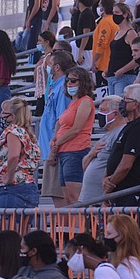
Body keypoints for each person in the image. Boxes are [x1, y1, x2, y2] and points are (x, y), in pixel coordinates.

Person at [103, 84, 140, 206]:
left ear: (136, 104)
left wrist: (110, 184)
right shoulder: (130, 125)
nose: (122, 103)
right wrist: (106, 179)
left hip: (134, 193)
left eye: (126, 99)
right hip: (123, 192)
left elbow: (126, 164)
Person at [49, 67, 95, 204]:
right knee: (67, 198)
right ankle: (73, 226)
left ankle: (81, 225)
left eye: (73, 80)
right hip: (65, 152)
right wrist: (54, 140)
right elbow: (61, 124)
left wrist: (57, 143)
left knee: (75, 198)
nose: (69, 83)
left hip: (76, 151)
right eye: (68, 80)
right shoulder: (72, 103)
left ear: (83, 82)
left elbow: (76, 128)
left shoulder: (85, 101)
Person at [38, 51, 74, 207]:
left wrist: (55, 147)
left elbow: (62, 120)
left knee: (60, 198)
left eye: (49, 65)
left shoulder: (64, 88)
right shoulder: (55, 86)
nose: (47, 67)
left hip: (57, 149)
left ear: (57, 67)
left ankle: (67, 231)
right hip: (50, 148)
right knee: (55, 195)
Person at [0, 97, 40, 208]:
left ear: (12, 117)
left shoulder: (13, 131)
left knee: (9, 225)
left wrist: (9, 177)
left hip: (13, 189)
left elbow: (14, 156)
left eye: (3, 113)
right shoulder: (28, 134)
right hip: (28, 186)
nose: (0, 116)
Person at [104, 214, 140, 279]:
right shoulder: (136, 261)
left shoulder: (126, 265)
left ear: (123, 237)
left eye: (109, 234)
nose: (106, 237)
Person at [105, 3, 138, 96]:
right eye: (113, 12)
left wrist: (122, 70)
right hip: (113, 76)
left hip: (124, 76)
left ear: (125, 14)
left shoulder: (130, 33)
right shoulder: (117, 33)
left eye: (117, 12)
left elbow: (137, 57)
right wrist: (107, 70)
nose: (114, 15)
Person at [32, 31, 56, 116]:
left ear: (47, 42)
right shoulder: (43, 57)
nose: (38, 43)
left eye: (40, 41)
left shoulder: (49, 57)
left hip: (45, 91)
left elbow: (51, 74)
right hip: (41, 91)